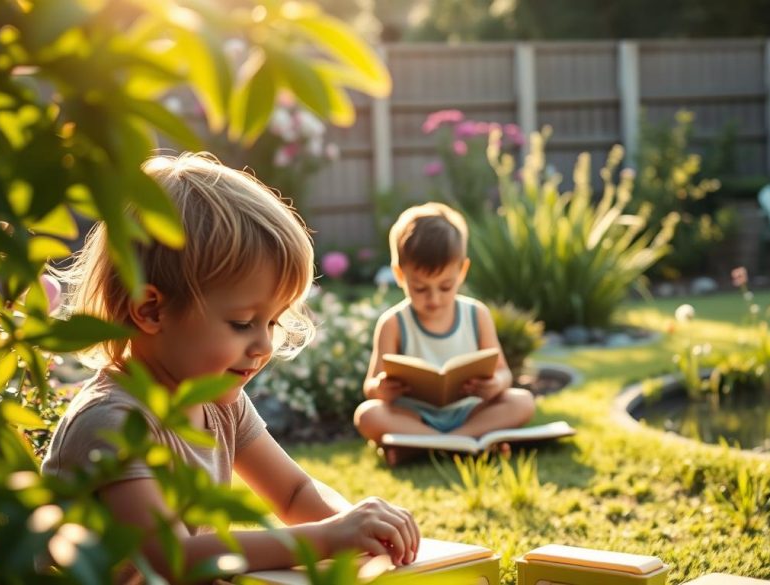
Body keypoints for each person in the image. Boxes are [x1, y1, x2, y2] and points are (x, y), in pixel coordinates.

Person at [41, 153, 419, 582]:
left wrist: (355, 523)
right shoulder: (111, 421)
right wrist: (326, 538)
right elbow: (171, 558)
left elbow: (295, 493)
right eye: (242, 323)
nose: (263, 345)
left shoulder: (223, 407)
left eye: (272, 322)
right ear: (150, 310)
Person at [353, 202, 535, 463]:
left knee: (522, 401)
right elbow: (371, 388)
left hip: (469, 412)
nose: (434, 299)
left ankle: (432, 445)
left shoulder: (477, 315)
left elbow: (504, 372)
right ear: (400, 275)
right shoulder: (393, 323)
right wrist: (382, 389)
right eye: (420, 288)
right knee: (368, 415)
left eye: (446, 286)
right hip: (415, 416)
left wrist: (495, 384)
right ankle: (465, 444)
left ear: (462, 271)